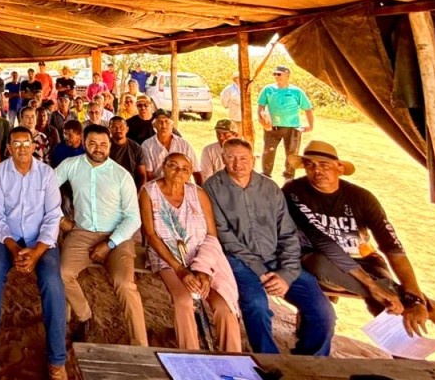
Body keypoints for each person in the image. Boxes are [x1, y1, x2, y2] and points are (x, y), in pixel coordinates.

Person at [284, 140, 434, 337]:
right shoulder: (294, 191)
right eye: (310, 165)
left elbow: (392, 247)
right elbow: (323, 242)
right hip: (322, 262)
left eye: (324, 165)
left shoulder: (361, 197)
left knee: (389, 306)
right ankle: (406, 298)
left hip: (364, 261)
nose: (317, 170)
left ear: (339, 168)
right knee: (319, 264)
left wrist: (412, 294)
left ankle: (408, 346)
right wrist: (375, 287)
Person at [204, 138, 335, 355]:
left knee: (323, 312)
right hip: (239, 261)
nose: (238, 164)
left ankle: (309, 360)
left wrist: (286, 273)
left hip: (277, 258)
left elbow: (287, 232)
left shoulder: (270, 187)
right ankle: (269, 359)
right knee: (256, 305)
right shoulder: (212, 188)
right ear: (223, 159)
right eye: (231, 158)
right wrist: (261, 272)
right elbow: (225, 237)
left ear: (253, 160)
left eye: (243, 158)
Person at [0, 127, 68, 380]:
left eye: (26, 143)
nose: (21, 149)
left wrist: (37, 251)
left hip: (41, 241)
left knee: (53, 283)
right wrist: (13, 248)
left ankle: (57, 362)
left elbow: (53, 215)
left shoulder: (46, 173)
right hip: (7, 239)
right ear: (8, 148)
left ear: (34, 146)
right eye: (15, 144)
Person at [139, 152, 241, 352]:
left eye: (185, 169)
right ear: (163, 166)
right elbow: (151, 235)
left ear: (190, 173)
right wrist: (180, 269)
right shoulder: (148, 192)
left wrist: (204, 271)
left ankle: (232, 357)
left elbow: (211, 235)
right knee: (184, 300)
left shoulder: (198, 194)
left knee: (224, 306)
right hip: (168, 258)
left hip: (202, 256)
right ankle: (190, 354)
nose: (179, 172)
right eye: (173, 166)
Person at [56, 124, 146, 345]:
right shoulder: (71, 165)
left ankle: (140, 344)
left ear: (110, 146)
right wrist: (59, 218)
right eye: (93, 143)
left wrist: (110, 244)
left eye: (103, 144)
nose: (98, 148)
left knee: (125, 284)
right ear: (84, 143)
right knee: (62, 273)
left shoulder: (121, 175)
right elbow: (43, 191)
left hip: (117, 235)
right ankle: (85, 316)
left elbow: (133, 218)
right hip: (82, 232)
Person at [258, 65, 314, 180]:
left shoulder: (297, 91)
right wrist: (262, 121)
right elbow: (261, 106)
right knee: (268, 151)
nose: (276, 76)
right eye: (274, 74)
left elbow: (308, 109)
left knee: (291, 154)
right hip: (272, 127)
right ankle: (266, 175)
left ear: (287, 75)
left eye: (279, 74)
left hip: (292, 128)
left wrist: (310, 126)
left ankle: (289, 177)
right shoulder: (268, 89)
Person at [140, 111, 198, 186]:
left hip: (183, 187)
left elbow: (196, 170)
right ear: (154, 125)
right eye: (160, 122)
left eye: (167, 122)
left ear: (172, 125)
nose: (164, 125)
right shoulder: (147, 145)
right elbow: (149, 174)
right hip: (159, 187)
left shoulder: (184, 144)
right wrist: (164, 189)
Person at [106, 115, 142, 184]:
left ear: (127, 129)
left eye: (121, 127)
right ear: (109, 129)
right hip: (109, 183)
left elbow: (142, 175)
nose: (118, 130)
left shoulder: (136, 148)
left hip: (130, 184)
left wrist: (138, 190)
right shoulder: (104, 146)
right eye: (114, 127)